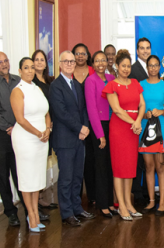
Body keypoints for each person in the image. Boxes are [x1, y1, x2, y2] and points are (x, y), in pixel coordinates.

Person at [49, 51, 95, 226]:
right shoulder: (56, 86)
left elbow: (83, 109)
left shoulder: (76, 84)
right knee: (66, 178)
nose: (69, 64)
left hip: (79, 138)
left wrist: (85, 128)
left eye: (72, 61)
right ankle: (66, 213)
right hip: (64, 140)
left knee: (77, 177)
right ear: (60, 64)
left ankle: (77, 208)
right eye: (66, 61)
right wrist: (80, 128)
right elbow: (61, 113)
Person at [102, 49, 146, 221]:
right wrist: (133, 123)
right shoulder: (112, 85)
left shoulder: (135, 82)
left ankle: (128, 203)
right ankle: (121, 205)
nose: (126, 69)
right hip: (120, 129)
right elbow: (117, 110)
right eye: (123, 66)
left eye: (128, 66)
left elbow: (142, 105)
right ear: (117, 67)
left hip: (134, 129)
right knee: (119, 169)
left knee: (130, 168)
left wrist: (138, 121)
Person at [10, 57, 51, 232]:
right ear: (20, 71)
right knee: (27, 178)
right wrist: (38, 133)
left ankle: (34, 212)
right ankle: (31, 215)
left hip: (42, 139)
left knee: (36, 178)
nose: (29, 70)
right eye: (26, 68)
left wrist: (48, 129)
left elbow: (46, 112)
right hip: (26, 139)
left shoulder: (38, 89)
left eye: (32, 67)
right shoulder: (17, 91)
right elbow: (20, 119)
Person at [0, 52, 25, 226]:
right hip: (1, 136)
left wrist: (19, 127)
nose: (4, 65)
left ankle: (29, 208)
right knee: (3, 175)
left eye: (6, 61)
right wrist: (9, 128)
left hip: (20, 133)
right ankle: (10, 212)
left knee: (20, 173)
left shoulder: (18, 81)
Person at [85, 51, 117, 218]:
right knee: (101, 166)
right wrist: (100, 135)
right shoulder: (90, 81)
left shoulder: (111, 78)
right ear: (93, 63)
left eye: (103, 60)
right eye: (97, 61)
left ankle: (110, 202)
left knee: (110, 165)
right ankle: (102, 204)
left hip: (113, 125)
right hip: (99, 127)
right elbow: (91, 110)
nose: (100, 63)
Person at [139, 55, 164, 216]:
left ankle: (162, 202)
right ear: (147, 67)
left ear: (159, 67)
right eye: (150, 65)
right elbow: (138, 107)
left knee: (160, 166)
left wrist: (161, 111)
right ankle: (151, 201)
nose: (153, 68)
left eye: (155, 65)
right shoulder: (140, 85)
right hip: (145, 128)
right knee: (149, 166)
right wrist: (144, 115)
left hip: (161, 128)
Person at [32, 49, 58, 210]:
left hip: (50, 126)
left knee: (44, 160)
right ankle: (37, 199)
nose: (40, 62)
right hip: (38, 128)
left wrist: (51, 123)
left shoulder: (50, 81)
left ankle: (40, 196)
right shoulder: (32, 83)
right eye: (37, 60)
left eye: (42, 60)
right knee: (37, 163)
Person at [71, 43, 96, 205]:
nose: (80, 56)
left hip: (92, 121)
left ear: (88, 56)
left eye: (83, 53)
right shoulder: (67, 72)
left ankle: (93, 195)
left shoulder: (94, 72)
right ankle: (76, 197)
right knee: (74, 161)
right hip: (73, 124)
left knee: (91, 160)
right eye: (77, 54)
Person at [129, 37, 151, 205]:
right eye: (142, 48)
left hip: (154, 121)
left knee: (149, 158)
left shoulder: (154, 68)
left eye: (148, 48)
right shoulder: (133, 69)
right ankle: (137, 192)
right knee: (137, 159)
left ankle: (146, 191)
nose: (145, 51)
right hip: (138, 119)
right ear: (137, 51)